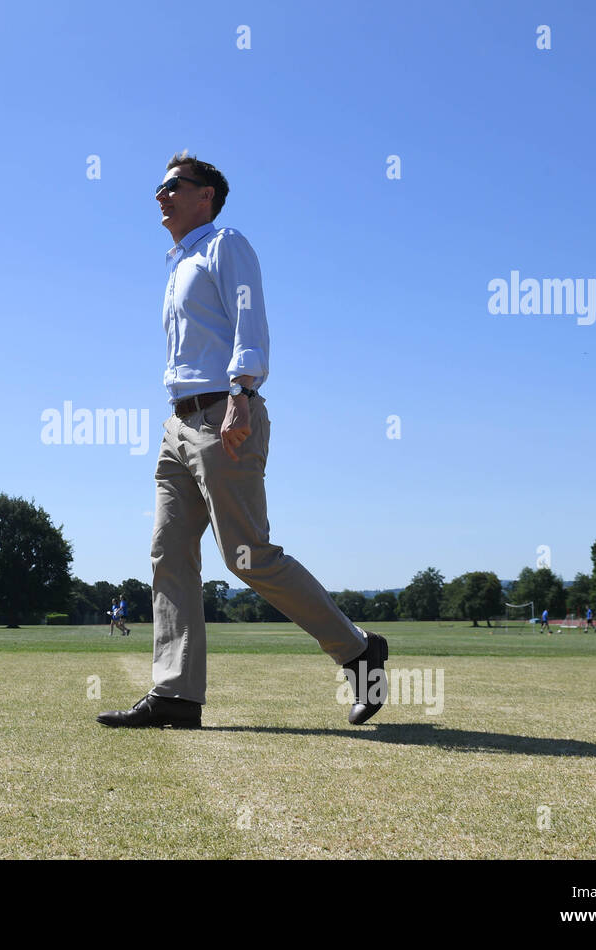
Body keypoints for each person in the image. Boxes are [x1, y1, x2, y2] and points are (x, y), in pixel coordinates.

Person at [98, 153, 388, 730]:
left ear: (206, 195)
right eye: (158, 187)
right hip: (177, 426)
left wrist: (240, 393)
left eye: (172, 185)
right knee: (168, 553)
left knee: (246, 555)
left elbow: (249, 321)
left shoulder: (225, 245)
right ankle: (176, 695)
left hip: (223, 416)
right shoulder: (176, 264)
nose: (160, 195)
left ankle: (358, 650)